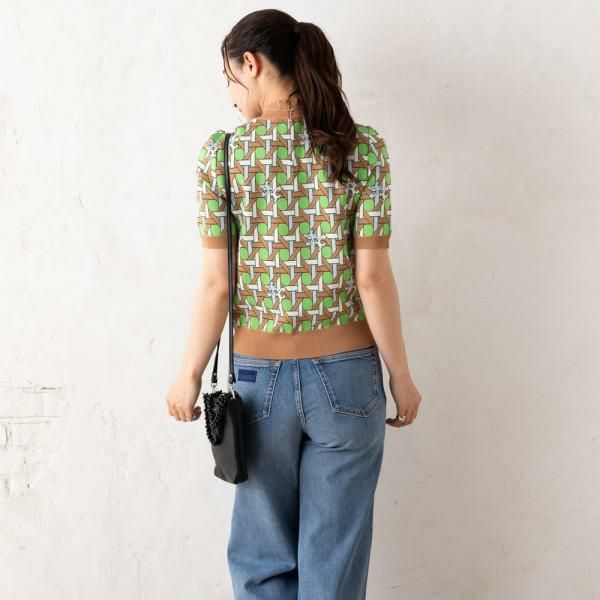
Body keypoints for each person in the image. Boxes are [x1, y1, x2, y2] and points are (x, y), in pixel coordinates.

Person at [166, 8, 422, 599]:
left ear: (250, 64)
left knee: (262, 558)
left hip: (260, 384)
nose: (231, 96)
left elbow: (216, 286)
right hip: (350, 379)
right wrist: (401, 375)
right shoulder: (363, 150)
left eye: (230, 78)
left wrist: (188, 375)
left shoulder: (223, 157)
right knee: (335, 563)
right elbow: (373, 279)